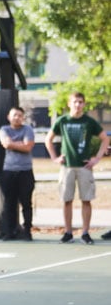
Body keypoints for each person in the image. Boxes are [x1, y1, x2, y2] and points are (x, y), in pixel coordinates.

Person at [44, 91, 110, 244]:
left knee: (86, 200)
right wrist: (54, 157)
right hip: (67, 166)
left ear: (84, 104)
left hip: (84, 167)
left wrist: (97, 158)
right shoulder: (62, 121)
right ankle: (68, 232)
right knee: (67, 200)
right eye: (75, 102)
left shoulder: (89, 122)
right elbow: (48, 139)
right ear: (69, 104)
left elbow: (105, 139)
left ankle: (85, 232)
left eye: (80, 102)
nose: (78, 105)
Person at [0, 107, 35, 241]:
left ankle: (27, 231)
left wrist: (15, 144)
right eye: (14, 115)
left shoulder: (28, 129)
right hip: (9, 171)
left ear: (23, 117)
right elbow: (6, 144)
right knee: (9, 203)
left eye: (20, 115)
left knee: (26, 203)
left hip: (25, 171)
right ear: (9, 117)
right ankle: (9, 232)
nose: (17, 117)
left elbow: (28, 147)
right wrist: (20, 144)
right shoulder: (4, 130)